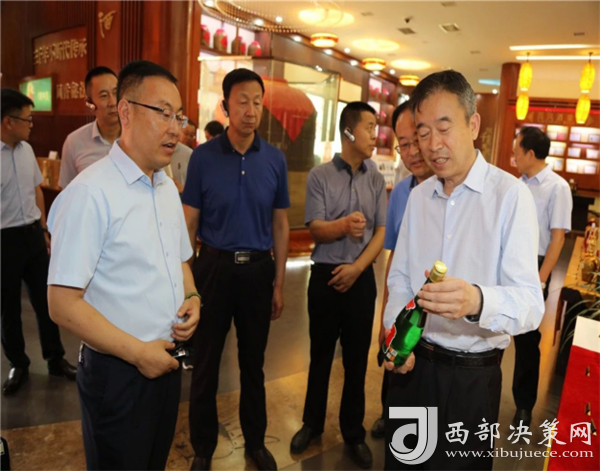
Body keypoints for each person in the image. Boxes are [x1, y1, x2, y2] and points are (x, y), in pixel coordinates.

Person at [383, 70, 545, 470]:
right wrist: (396, 338)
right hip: (414, 368)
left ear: (473, 125)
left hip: (473, 380)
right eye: (423, 132)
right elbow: (399, 279)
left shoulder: (510, 197)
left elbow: (531, 304)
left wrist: (477, 300)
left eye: (444, 128)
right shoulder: (418, 198)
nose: (432, 145)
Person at [47, 60, 200, 470]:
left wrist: (192, 295)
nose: (175, 128)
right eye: (163, 113)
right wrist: (138, 354)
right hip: (118, 374)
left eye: (179, 116)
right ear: (126, 111)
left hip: (165, 360)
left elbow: (180, 259)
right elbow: (62, 303)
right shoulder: (90, 193)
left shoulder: (165, 186)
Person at [183, 68, 290, 471]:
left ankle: (256, 443)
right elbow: (189, 222)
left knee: (253, 364)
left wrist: (279, 283)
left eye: (257, 102)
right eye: (242, 101)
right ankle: (202, 448)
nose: (251, 110)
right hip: (213, 267)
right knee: (205, 364)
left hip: (258, 271)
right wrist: (187, 282)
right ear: (226, 105)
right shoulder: (203, 157)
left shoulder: (274, 159)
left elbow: (281, 225)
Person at [291, 102, 386, 469]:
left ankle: (353, 432)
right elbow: (315, 228)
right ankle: (311, 424)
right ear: (349, 132)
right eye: (369, 127)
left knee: (357, 361)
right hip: (325, 278)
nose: (376, 134)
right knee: (320, 356)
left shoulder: (375, 177)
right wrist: (344, 226)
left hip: (360, 279)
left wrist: (358, 268)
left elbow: (381, 231)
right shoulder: (320, 176)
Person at [1, 88, 76, 395]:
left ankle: (55, 358)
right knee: (7, 308)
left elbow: (37, 190)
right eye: (27, 119)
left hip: (32, 235)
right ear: (8, 121)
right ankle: (18, 363)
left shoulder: (26, 150)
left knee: (46, 301)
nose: (31, 124)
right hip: (4, 240)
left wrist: (44, 229)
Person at [371, 100, 434, 438]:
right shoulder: (400, 195)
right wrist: (385, 316)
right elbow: (394, 259)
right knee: (395, 369)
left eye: (417, 140)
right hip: (405, 307)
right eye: (403, 144)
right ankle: (388, 416)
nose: (411, 152)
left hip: (439, 318)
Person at [511, 126, 572, 427]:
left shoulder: (557, 187)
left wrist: (541, 279)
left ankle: (524, 406)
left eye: (517, 150)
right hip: (509, 261)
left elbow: (558, 238)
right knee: (495, 329)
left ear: (531, 153)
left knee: (526, 338)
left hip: (535, 268)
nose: (513, 156)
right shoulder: (517, 184)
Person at [59, 66, 120, 188]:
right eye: (104, 95)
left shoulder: (139, 137)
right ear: (90, 104)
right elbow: (67, 191)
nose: (113, 102)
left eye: (116, 93)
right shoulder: (74, 142)